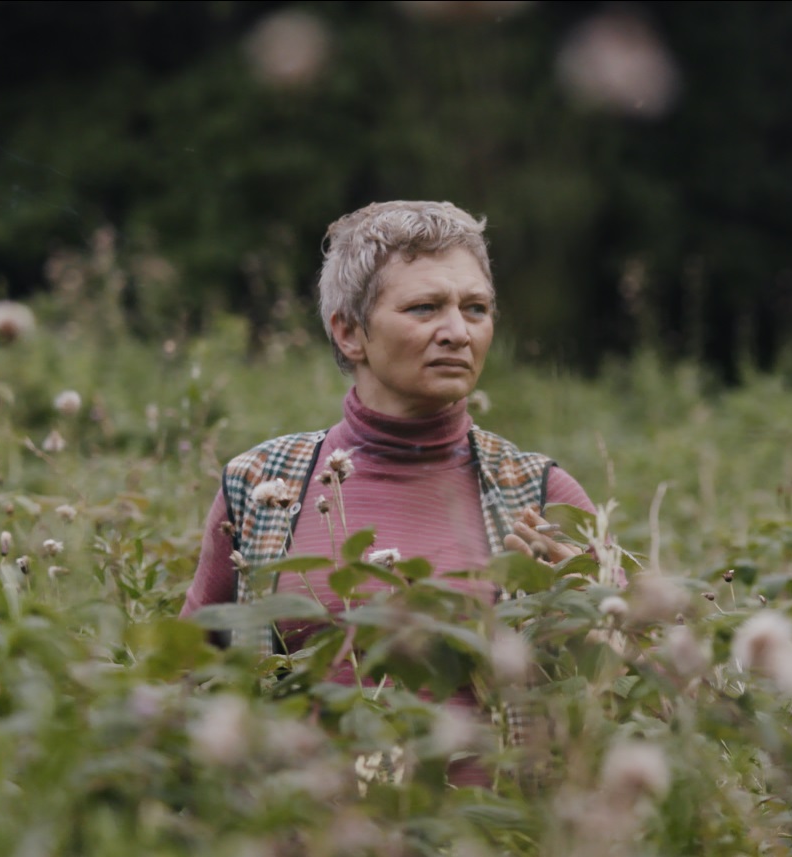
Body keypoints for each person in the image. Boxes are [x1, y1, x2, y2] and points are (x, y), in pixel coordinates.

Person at [180, 201, 596, 784]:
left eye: (475, 308)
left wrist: (582, 608)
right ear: (349, 332)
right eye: (425, 308)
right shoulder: (263, 484)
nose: (457, 331)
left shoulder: (538, 492)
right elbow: (185, 677)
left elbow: (621, 693)